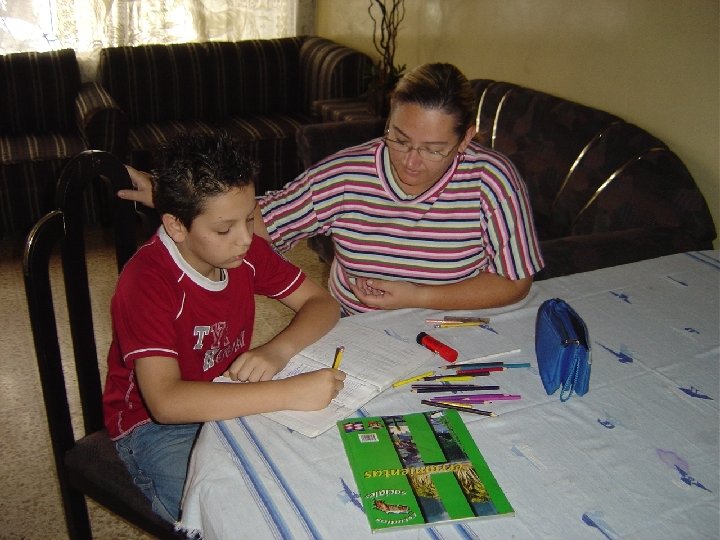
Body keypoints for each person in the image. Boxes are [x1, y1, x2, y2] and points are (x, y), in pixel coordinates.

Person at [119, 62, 544, 316]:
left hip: (456, 327)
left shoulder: (493, 180)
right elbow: (263, 221)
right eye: (399, 139)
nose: (411, 161)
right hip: (359, 328)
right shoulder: (347, 174)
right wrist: (178, 196)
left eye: (433, 150)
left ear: (466, 138)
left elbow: (515, 281)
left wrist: (419, 296)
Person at [103, 132, 344, 523]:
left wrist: (277, 350)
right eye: (224, 229)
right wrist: (287, 392)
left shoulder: (243, 252)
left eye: (249, 218)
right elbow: (166, 403)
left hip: (229, 396)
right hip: (152, 426)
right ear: (176, 226)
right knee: (227, 514)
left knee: (309, 476)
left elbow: (323, 304)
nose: (246, 239)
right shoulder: (146, 281)